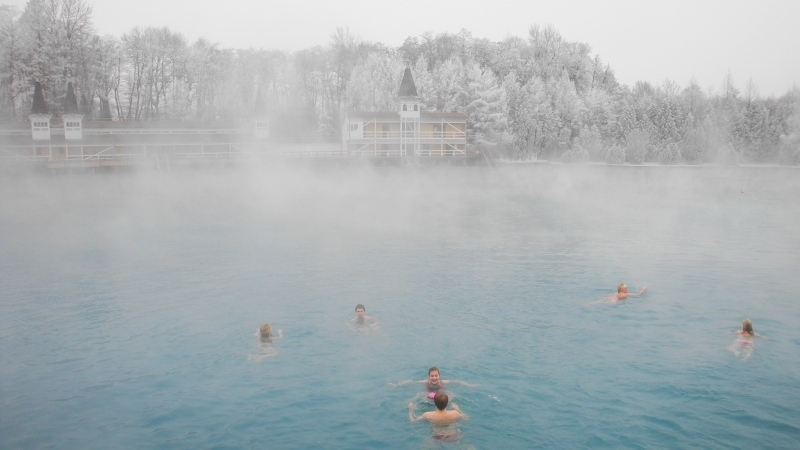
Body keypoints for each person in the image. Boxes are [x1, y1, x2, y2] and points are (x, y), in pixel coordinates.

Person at [390, 367, 478, 399]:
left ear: (439, 376)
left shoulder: (443, 382)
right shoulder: (426, 382)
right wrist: (397, 385)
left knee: (451, 396)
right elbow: (411, 382)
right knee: (419, 395)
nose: (434, 378)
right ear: (429, 376)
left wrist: (470, 385)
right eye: (432, 376)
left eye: (436, 376)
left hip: (441, 394)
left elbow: (457, 382)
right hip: (428, 394)